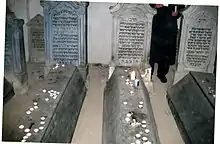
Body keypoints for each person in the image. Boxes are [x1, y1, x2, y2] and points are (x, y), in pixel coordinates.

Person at [149, 4, 181, 83]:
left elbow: (181, 7)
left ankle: (162, 74)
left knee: (166, 54)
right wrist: (154, 5)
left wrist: (178, 12)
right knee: (152, 51)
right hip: (156, 16)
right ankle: (150, 73)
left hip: (170, 21)